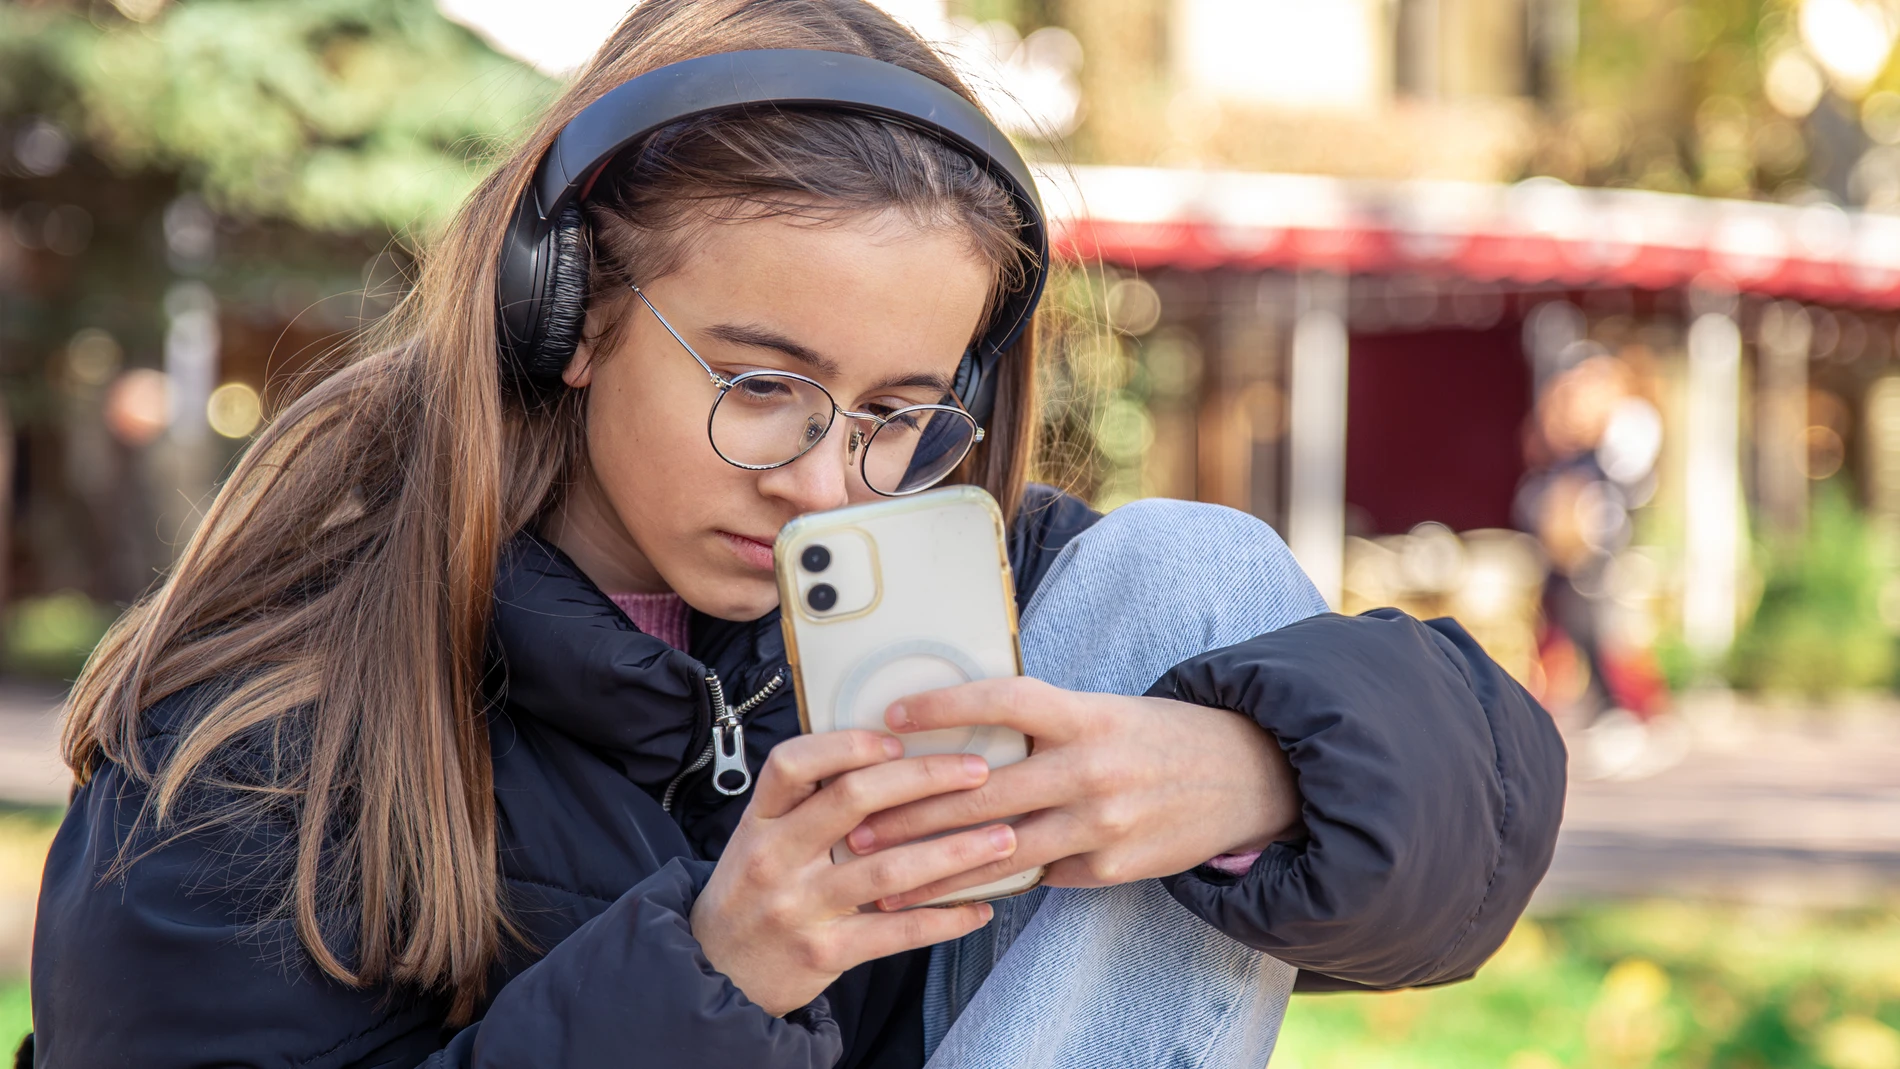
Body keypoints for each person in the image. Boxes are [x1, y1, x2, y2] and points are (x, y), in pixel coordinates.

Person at [28, 2, 1567, 1066]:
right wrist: (718, 973)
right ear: (566, 317)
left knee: (1197, 582)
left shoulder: (967, 578)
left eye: (898, 408)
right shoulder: (265, 742)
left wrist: (1248, 775)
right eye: (765, 385)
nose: (829, 481)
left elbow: (1482, 798)